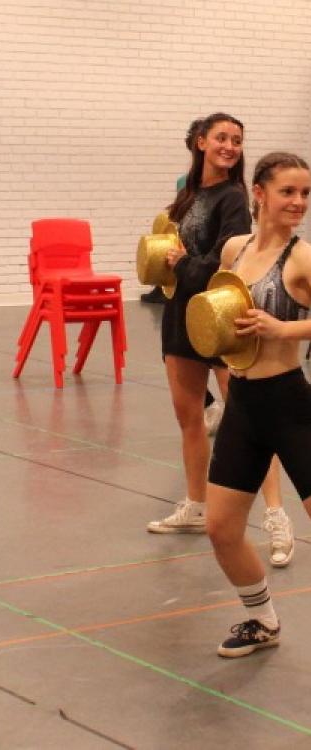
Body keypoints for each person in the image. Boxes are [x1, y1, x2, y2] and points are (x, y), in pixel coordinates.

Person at [147, 114, 292, 568]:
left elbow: (221, 264)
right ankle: (195, 504)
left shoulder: (231, 198)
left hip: (221, 317)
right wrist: (166, 257)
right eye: (222, 138)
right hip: (182, 318)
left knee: (252, 422)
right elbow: (175, 247)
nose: (229, 146)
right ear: (201, 142)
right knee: (190, 416)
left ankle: (276, 516)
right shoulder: (190, 193)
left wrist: (181, 263)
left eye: (237, 141)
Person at [206, 151, 311, 656]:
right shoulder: (235, 250)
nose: (298, 202)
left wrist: (283, 328)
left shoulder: (303, 258)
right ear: (260, 193)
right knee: (221, 527)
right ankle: (262, 620)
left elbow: (282, 326)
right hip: (243, 404)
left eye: (305, 193)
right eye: (288, 191)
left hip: (289, 405)